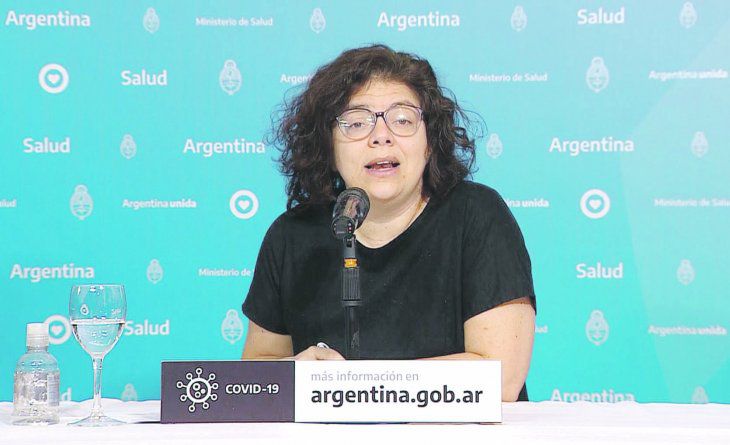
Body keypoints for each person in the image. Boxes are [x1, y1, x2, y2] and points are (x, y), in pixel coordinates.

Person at [241, 45, 536, 402]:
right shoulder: (292, 235)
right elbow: (252, 382)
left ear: (430, 142)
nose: (381, 135)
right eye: (356, 122)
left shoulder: (477, 215)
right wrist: (295, 372)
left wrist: (353, 387)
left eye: (402, 119)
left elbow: (500, 378)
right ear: (328, 147)